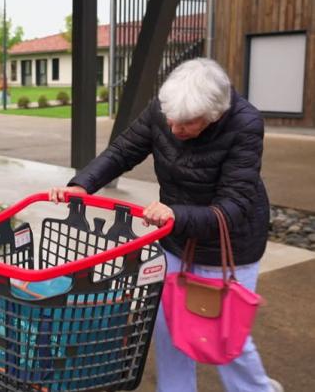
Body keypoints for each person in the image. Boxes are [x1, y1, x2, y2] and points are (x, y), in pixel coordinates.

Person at [49, 58, 282, 392]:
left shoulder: (245, 123)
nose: (174, 129)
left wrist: (177, 215)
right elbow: (123, 151)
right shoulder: (165, 109)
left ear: (214, 115)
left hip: (229, 243)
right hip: (175, 237)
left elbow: (235, 205)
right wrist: (82, 184)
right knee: (167, 324)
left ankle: (256, 389)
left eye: (187, 124)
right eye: (170, 119)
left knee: (225, 335)